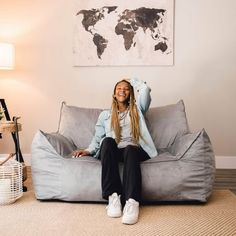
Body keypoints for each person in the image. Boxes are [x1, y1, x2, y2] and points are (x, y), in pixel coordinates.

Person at [72, 78, 158, 225]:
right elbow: (97, 138)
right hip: (115, 151)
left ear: (130, 93)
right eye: (119, 88)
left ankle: (132, 202)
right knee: (107, 141)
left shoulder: (138, 110)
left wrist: (134, 81)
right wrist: (88, 150)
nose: (122, 90)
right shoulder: (105, 115)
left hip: (134, 150)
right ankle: (113, 197)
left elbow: (145, 91)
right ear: (114, 94)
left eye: (126, 88)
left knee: (131, 148)